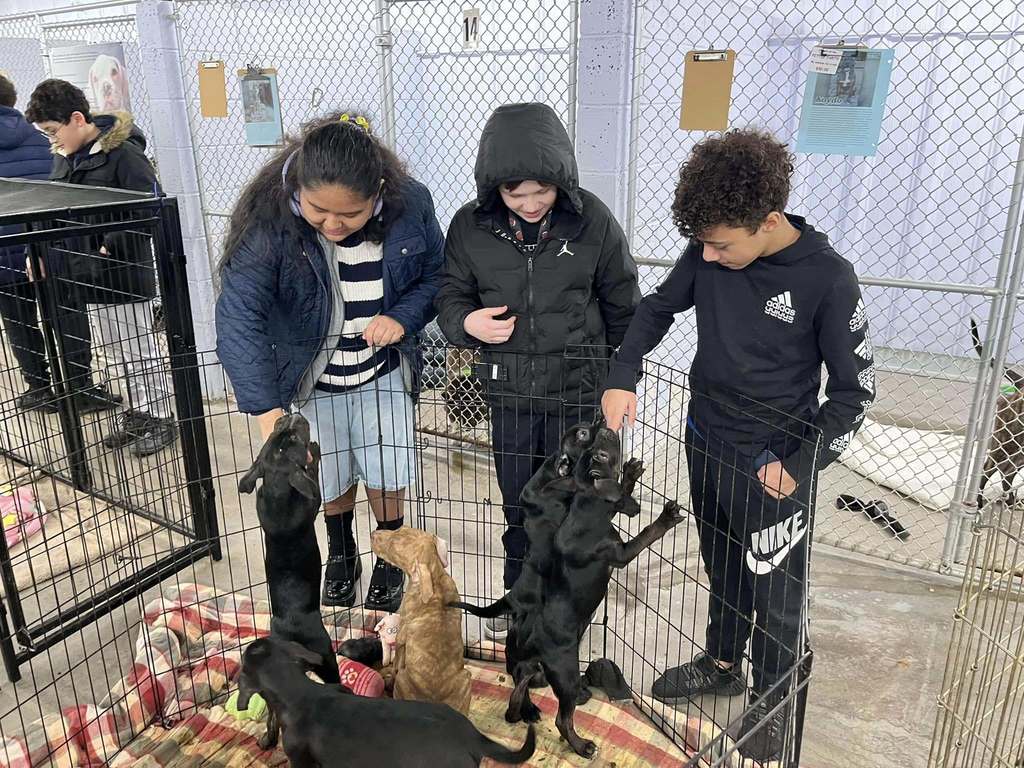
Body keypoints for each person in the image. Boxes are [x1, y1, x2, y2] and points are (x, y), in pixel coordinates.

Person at [601, 129, 875, 761]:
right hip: (706, 436)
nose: (709, 256)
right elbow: (656, 309)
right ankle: (723, 662)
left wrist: (801, 465)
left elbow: (855, 393)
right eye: (702, 243)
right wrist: (622, 375)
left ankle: (775, 704)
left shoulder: (828, 279)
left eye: (722, 244)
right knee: (722, 561)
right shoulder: (707, 252)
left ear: (769, 221)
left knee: (776, 592)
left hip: (773, 461)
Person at [216, 112, 444, 612]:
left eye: (351, 214)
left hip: (382, 370)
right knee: (331, 468)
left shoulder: (412, 204)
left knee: (386, 468)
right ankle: (342, 554)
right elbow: (239, 316)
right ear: (297, 187)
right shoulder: (268, 218)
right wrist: (267, 412)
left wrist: (402, 317)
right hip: (311, 379)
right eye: (318, 211)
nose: (333, 224)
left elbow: (436, 276)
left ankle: (388, 553)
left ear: (378, 194)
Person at [434, 102, 640, 640]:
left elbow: (624, 305)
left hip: (577, 394)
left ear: (561, 180)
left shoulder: (593, 220)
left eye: (542, 191)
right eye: (515, 194)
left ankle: (564, 614)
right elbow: (450, 295)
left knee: (577, 509)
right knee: (521, 505)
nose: (529, 204)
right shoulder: (469, 226)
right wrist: (467, 324)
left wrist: (622, 379)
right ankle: (520, 602)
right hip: (509, 394)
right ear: (493, 189)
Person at [25, 79, 177, 455]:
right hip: (85, 273)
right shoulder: (65, 157)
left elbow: (149, 209)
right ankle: (139, 413)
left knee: (139, 350)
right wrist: (36, 250)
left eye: (53, 130)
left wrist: (110, 246)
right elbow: (51, 207)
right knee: (118, 351)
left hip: (123, 274)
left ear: (78, 119)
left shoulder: (124, 155)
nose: (52, 140)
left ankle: (162, 417)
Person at [0, 74, 105, 414]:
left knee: (19, 321)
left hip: (4, 250)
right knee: (67, 315)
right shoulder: (42, 136)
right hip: (51, 244)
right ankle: (80, 388)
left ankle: (40, 389)